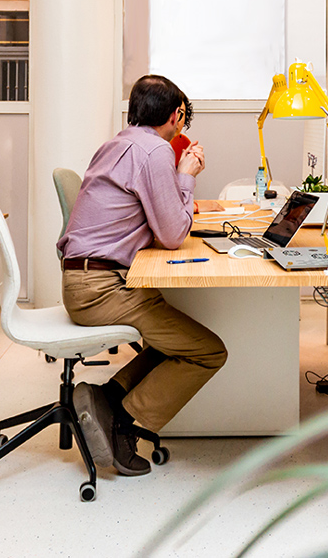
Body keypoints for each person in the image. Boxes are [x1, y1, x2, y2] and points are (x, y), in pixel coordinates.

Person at [58, 75, 228, 476]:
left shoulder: (117, 143)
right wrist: (187, 174)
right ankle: (122, 421)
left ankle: (106, 398)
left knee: (171, 341)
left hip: (86, 279)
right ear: (177, 115)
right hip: (101, 289)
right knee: (208, 352)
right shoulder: (155, 151)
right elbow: (172, 235)